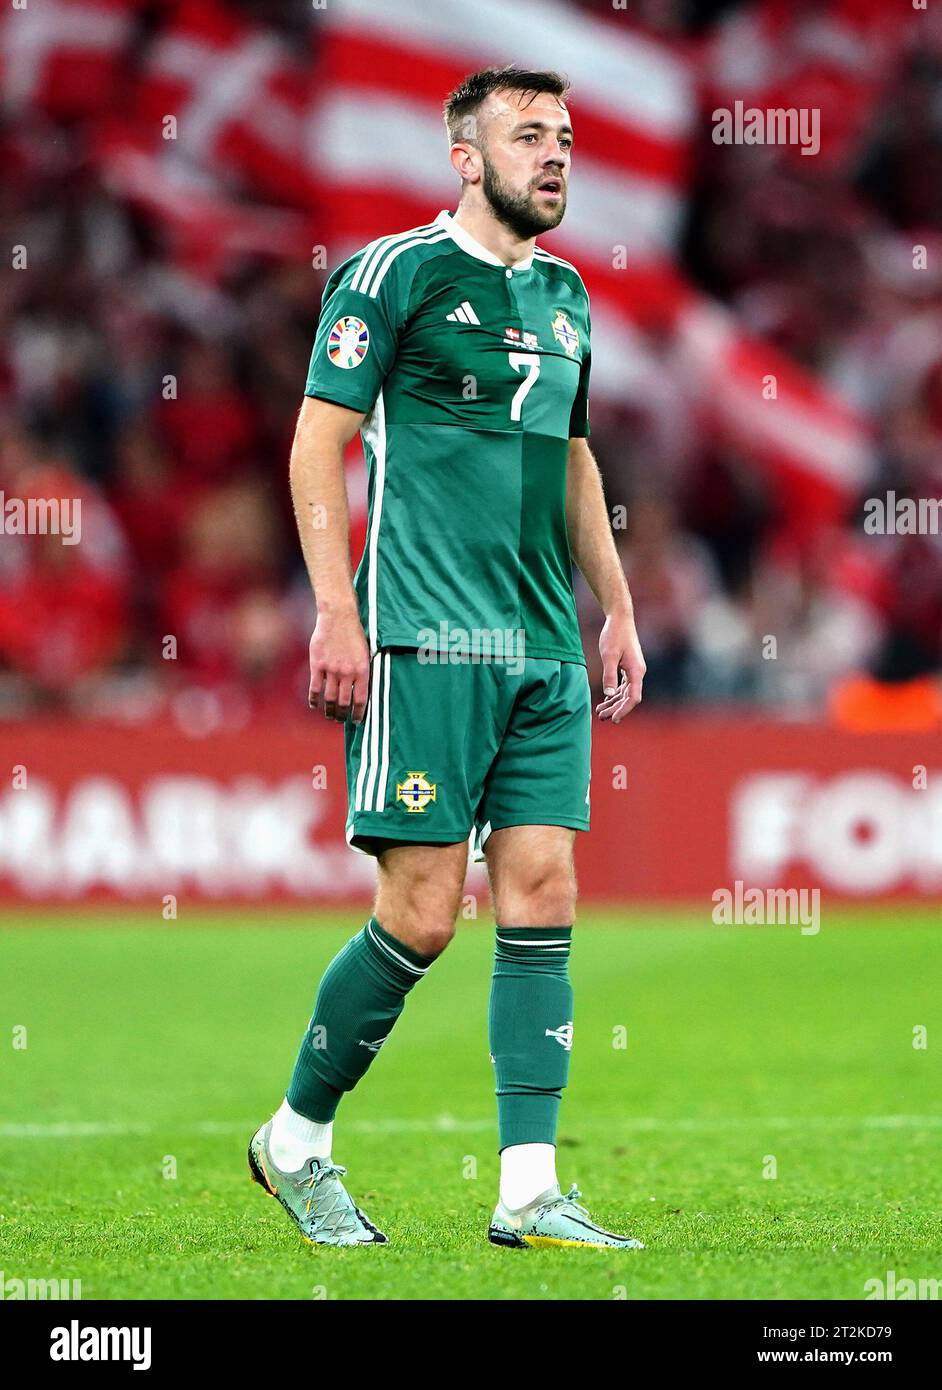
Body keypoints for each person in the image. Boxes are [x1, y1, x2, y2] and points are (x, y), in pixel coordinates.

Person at [249, 66, 647, 1250]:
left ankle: (529, 1189)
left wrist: (613, 608)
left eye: (566, 135)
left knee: (545, 892)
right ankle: (296, 1139)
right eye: (529, 135)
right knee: (423, 914)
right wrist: (335, 611)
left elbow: (571, 458)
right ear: (465, 158)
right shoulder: (392, 275)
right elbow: (316, 449)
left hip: (539, 648)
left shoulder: (572, 295)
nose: (557, 153)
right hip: (424, 638)